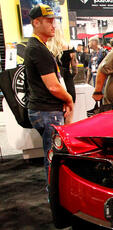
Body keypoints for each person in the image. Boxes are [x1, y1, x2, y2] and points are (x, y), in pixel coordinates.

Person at [24, 4, 73, 181]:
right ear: (36, 23)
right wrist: (69, 100)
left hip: (46, 110)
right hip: (46, 111)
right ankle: (53, 194)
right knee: (53, 156)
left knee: (53, 154)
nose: (53, 26)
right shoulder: (37, 48)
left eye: (54, 21)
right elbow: (53, 86)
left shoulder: (39, 47)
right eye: (49, 22)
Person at [47, 23, 78, 103]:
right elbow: (75, 69)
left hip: (53, 81)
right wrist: (70, 76)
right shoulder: (69, 47)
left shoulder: (45, 48)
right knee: (70, 107)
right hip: (67, 81)